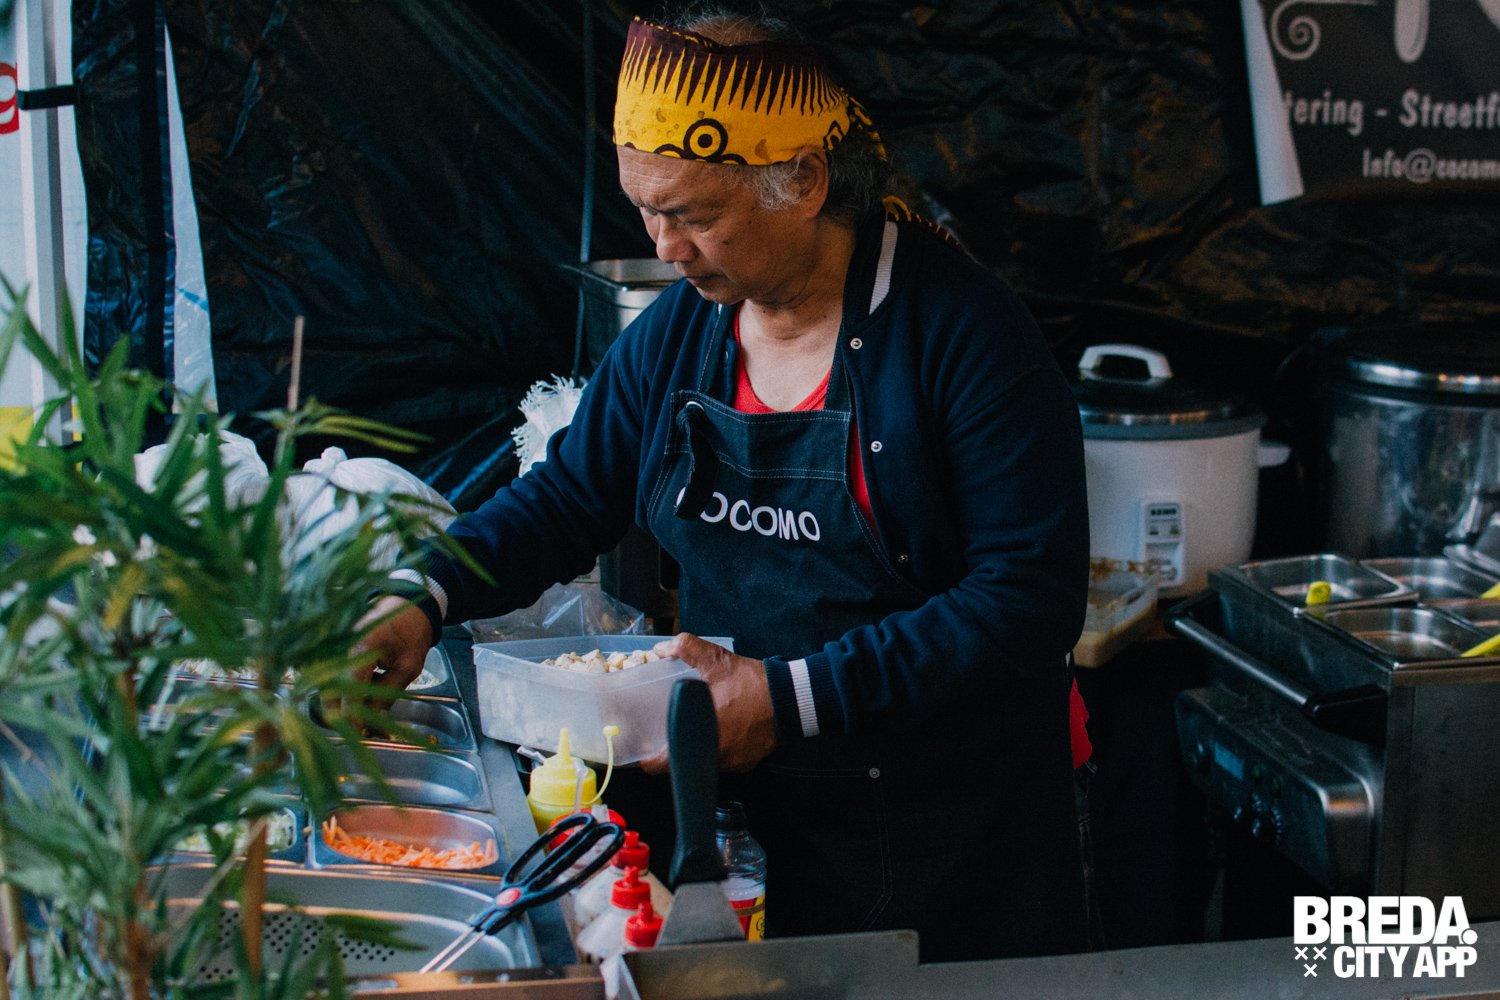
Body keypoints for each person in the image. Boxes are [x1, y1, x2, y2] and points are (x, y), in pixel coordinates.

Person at [363, 5, 1092, 961]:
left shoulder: (963, 337)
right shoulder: (679, 334)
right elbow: (570, 495)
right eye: (646, 209)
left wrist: (790, 698)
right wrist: (423, 592)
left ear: (804, 182)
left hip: (945, 841)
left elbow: (1027, 601)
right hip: (740, 823)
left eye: (694, 215)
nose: (665, 246)